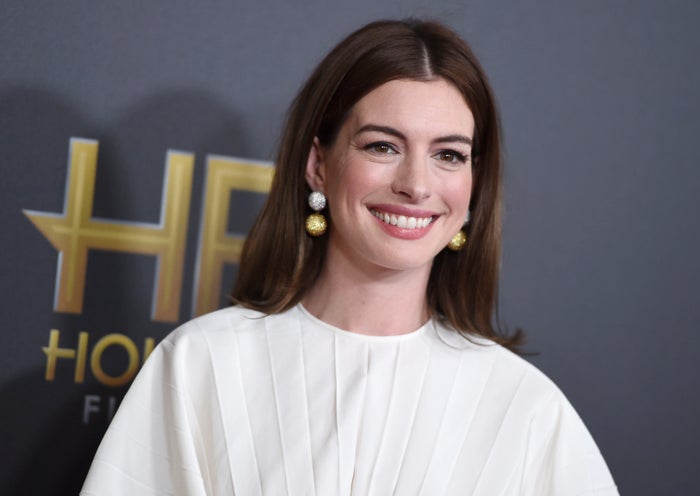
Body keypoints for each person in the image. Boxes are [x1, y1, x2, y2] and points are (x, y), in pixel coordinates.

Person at [81, 19, 618, 495]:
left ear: (474, 185)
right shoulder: (202, 365)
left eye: (448, 155)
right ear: (319, 165)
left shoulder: (525, 410)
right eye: (382, 146)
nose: (415, 185)